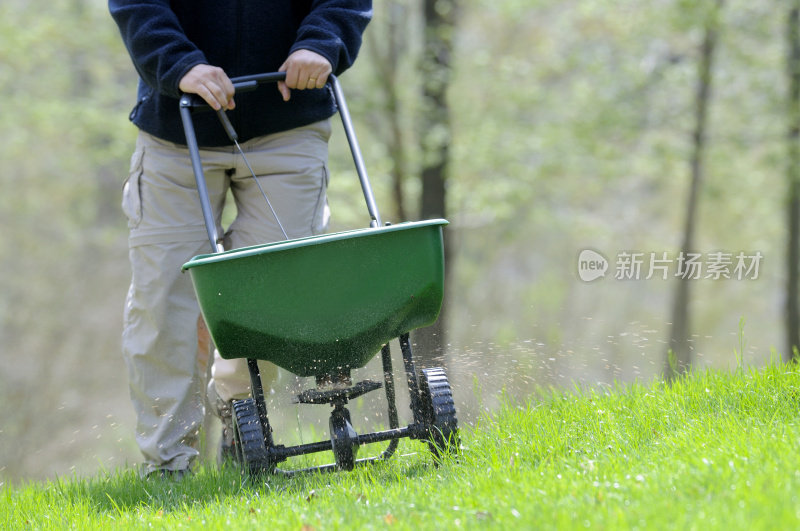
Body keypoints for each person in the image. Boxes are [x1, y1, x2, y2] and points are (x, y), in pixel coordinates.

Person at [108, 0, 372, 477]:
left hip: (287, 126)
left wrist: (321, 42)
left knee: (270, 294)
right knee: (164, 299)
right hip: (175, 123)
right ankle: (168, 465)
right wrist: (180, 64)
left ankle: (241, 421)